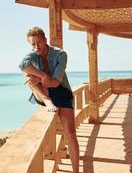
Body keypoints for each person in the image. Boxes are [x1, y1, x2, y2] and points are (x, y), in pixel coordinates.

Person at [19, 26, 79, 173]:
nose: (36, 47)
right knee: (26, 77)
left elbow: (55, 82)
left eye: (38, 43)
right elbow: (22, 66)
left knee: (70, 134)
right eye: (32, 44)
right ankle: (47, 100)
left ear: (45, 40)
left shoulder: (60, 54)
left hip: (60, 92)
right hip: (44, 94)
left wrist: (38, 77)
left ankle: (77, 171)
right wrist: (40, 76)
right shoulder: (33, 54)